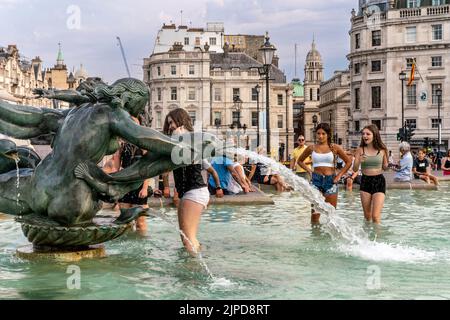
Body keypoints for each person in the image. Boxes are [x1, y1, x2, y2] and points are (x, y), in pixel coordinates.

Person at [163, 108, 210, 254]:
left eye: (172, 122)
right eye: (168, 123)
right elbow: (204, 164)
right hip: (190, 193)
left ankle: (194, 270)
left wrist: (178, 137)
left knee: (188, 239)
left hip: (194, 191)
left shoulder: (189, 138)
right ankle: (195, 262)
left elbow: (189, 159)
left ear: (180, 120)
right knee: (186, 239)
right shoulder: (184, 139)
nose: (170, 126)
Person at [296, 123, 352, 224]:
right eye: (318, 133)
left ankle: (329, 239)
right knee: (315, 215)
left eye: (323, 133)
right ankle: (316, 238)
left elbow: (348, 162)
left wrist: (339, 175)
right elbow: (299, 161)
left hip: (330, 180)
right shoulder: (311, 148)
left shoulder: (334, 147)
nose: (320, 136)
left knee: (331, 215)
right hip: (316, 181)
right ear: (315, 134)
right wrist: (309, 171)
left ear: (328, 135)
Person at [352, 125, 389, 224]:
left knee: (375, 216)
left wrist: (387, 164)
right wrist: (358, 160)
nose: (365, 136)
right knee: (367, 216)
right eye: (363, 134)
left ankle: (377, 238)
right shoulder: (360, 149)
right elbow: (354, 169)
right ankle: (367, 237)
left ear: (374, 135)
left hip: (379, 181)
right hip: (365, 181)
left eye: (368, 134)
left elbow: (385, 167)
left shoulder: (382, 149)